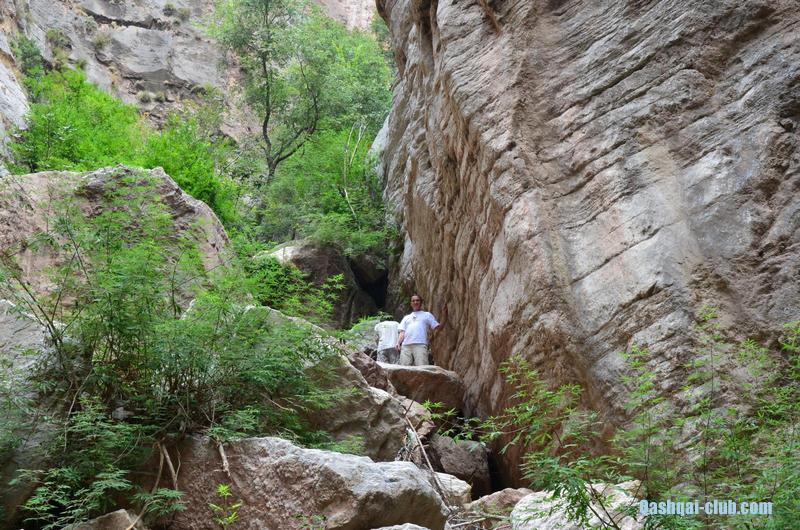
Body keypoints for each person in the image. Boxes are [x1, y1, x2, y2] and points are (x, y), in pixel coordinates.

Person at [396, 294, 446, 366]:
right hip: (406, 346)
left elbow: (438, 327)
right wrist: (398, 343)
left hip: (420, 344)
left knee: (422, 367)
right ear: (411, 303)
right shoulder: (406, 317)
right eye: (413, 301)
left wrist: (444, 316)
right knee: (403, 368)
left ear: (421, 302)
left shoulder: (427, 315)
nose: (415, 302)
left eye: (417, 300)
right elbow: (402, 332)